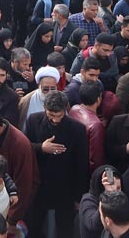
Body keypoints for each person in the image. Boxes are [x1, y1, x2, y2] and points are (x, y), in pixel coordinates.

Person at [24, 90, 88, 238]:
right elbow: (25, 148)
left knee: (65, 230)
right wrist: (41, 148)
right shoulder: (33, 121)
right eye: (51, 115)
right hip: (39, 187)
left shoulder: (77, 129)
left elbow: (81, 165)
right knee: (34, 228)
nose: (55, 120)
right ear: (45, 109)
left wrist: (79, 197)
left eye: (59, 116)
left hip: (65, 190)